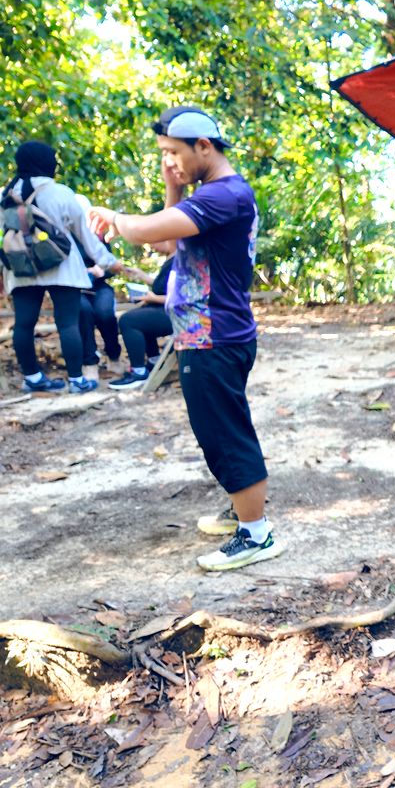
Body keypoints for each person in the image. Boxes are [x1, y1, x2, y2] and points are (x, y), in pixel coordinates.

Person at [88, 106, 281, 572]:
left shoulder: (224, 196)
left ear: (204, 147)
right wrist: (173, 180)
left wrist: (112, 216)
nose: (169, 161)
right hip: (206, 335)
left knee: (225, 434)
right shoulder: (210, 197)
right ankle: (242, 509)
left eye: (174, 153)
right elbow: (165, 245)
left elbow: (141, 232)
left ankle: (257, 534)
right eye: (163, 154)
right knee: (219, 429)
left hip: (215, 336)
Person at [2, 141, 118, 394]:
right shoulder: (60, 193)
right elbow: (85, 235)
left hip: (21, 268)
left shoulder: (6, 194)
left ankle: (32, 378)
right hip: (61, 266)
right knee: (68, 324)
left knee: (23, 324)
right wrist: (108, 262)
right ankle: (76, 380)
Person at [107, 241, 175, 390]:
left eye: (156, 242)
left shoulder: (182, 260)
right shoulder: (171, 258)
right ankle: (153, 360)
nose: (153, 246)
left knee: (128, 321)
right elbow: (163, 287)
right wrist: (142, 276)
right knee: (139, 316)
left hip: (177, 315)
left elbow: (180, 297)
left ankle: (139, 372)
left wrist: (152, 299)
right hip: (164, 309)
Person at [76, 223, 122, 381]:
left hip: (99, 285)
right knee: (84, 311)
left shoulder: (99, 237)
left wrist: (102, 271)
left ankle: (114, 355)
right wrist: (85, 272)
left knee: (105, 313)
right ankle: (89, 363)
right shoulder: (66, 236)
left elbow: (112, 266)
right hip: (76, 288)